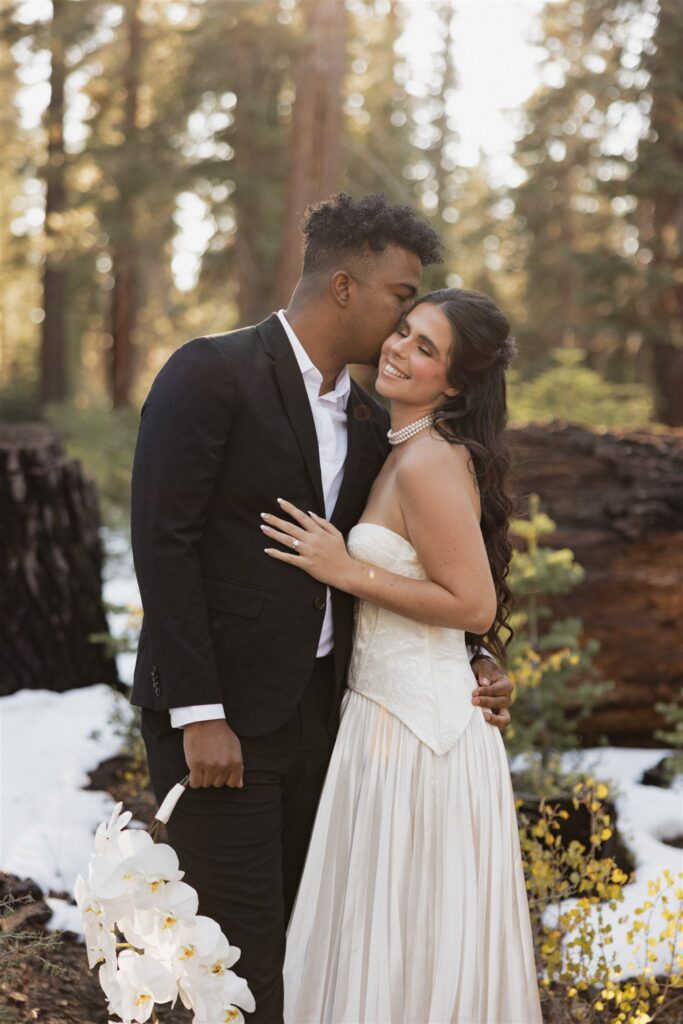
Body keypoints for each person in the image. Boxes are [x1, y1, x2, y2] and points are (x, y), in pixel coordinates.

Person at [129, 193, 515, 1024]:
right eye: (400, 298)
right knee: (237, 971)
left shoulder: (379, 420)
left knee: (318, 960)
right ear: (345, 287)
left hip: (334, 730)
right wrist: (200, 712)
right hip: (222, 727)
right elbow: (164, 548)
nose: (405, 321)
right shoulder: (211, 371)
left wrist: (472, 655)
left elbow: (424, 559)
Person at [269, 289, 543, 1023]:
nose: (399, 349)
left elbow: (473, 604)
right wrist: (478, 658)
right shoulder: (395, 449)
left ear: (453, 383)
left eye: (426, 347)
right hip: (381, 718)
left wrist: (345, 568)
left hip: (420, 738)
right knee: (374, 935)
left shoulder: (427, 462)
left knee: (407, 935)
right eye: (403, 331)